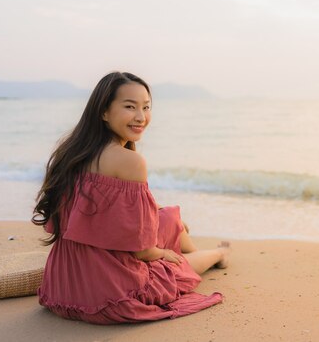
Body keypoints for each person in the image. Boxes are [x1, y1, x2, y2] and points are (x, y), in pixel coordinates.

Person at [32, 71, 229, 324]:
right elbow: (143, 251)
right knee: (173, 265)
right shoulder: (130, 161)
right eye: (130, 107)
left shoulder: (71, 152)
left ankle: (193, 251)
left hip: (63, 288)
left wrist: (160, 224)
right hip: (109, 292)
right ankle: (219, 254)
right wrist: (160, 253)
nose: (141, 117)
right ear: (104, 111)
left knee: (167, 216)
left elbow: (112, 212)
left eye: (146, 107)